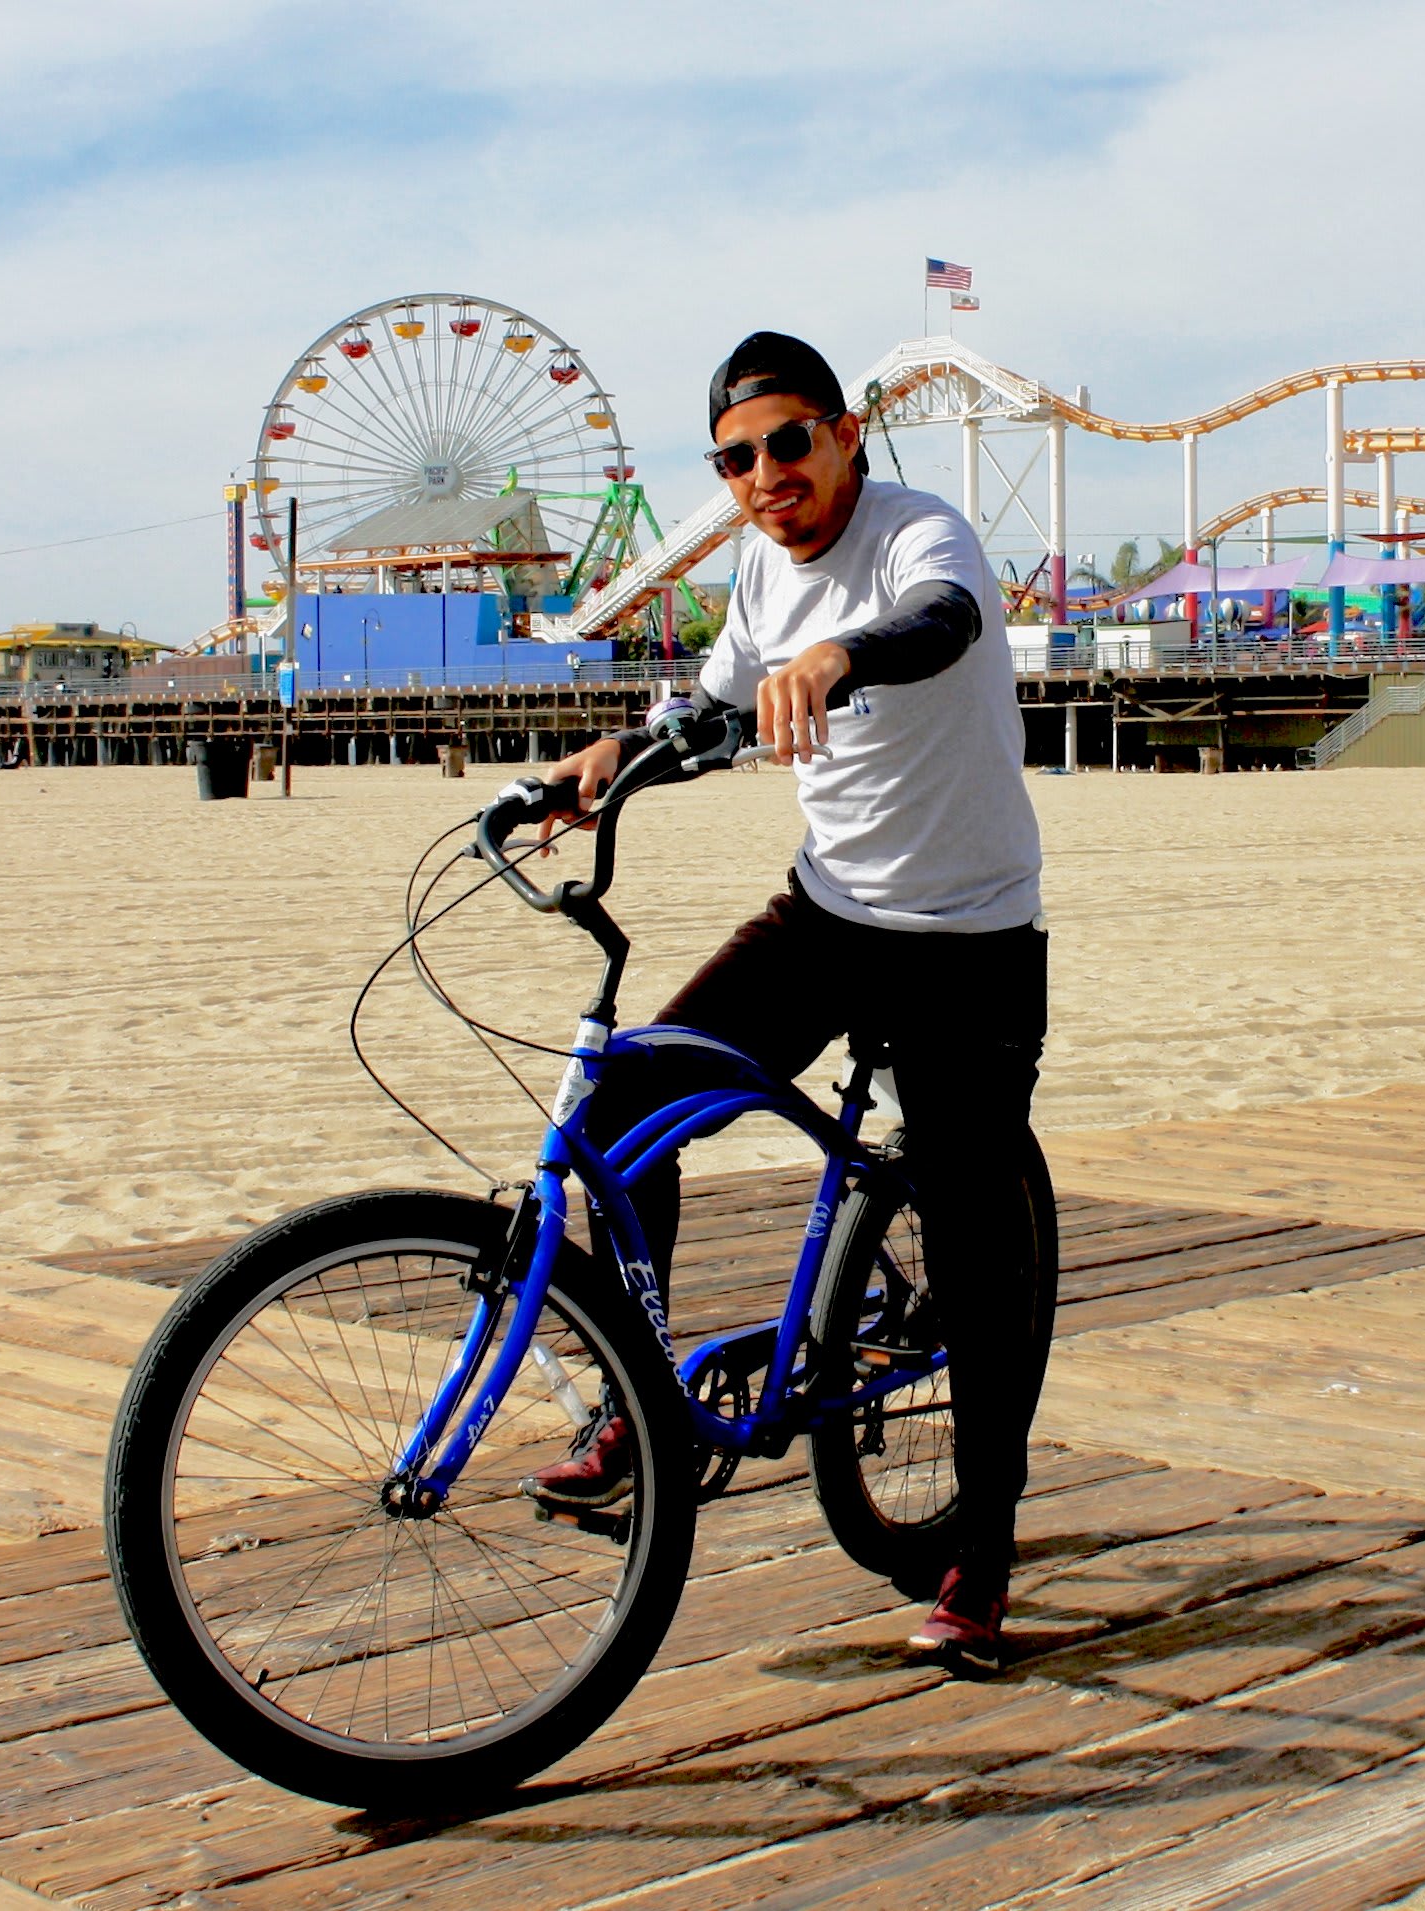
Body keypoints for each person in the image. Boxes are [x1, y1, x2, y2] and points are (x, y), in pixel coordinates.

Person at [524, 330, 1047, 1671]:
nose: (765, 475)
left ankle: (980, 1554)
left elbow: (941, 627)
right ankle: (640, 1398)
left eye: (787, 444)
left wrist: (835, 660)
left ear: (846, 435)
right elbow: (697, 712)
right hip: (827, 916)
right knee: (628, 1104)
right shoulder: (758, 567)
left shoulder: (921, 535)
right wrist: (607, 762)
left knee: (981, 1261)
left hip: (968, 939)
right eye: (736, 459)